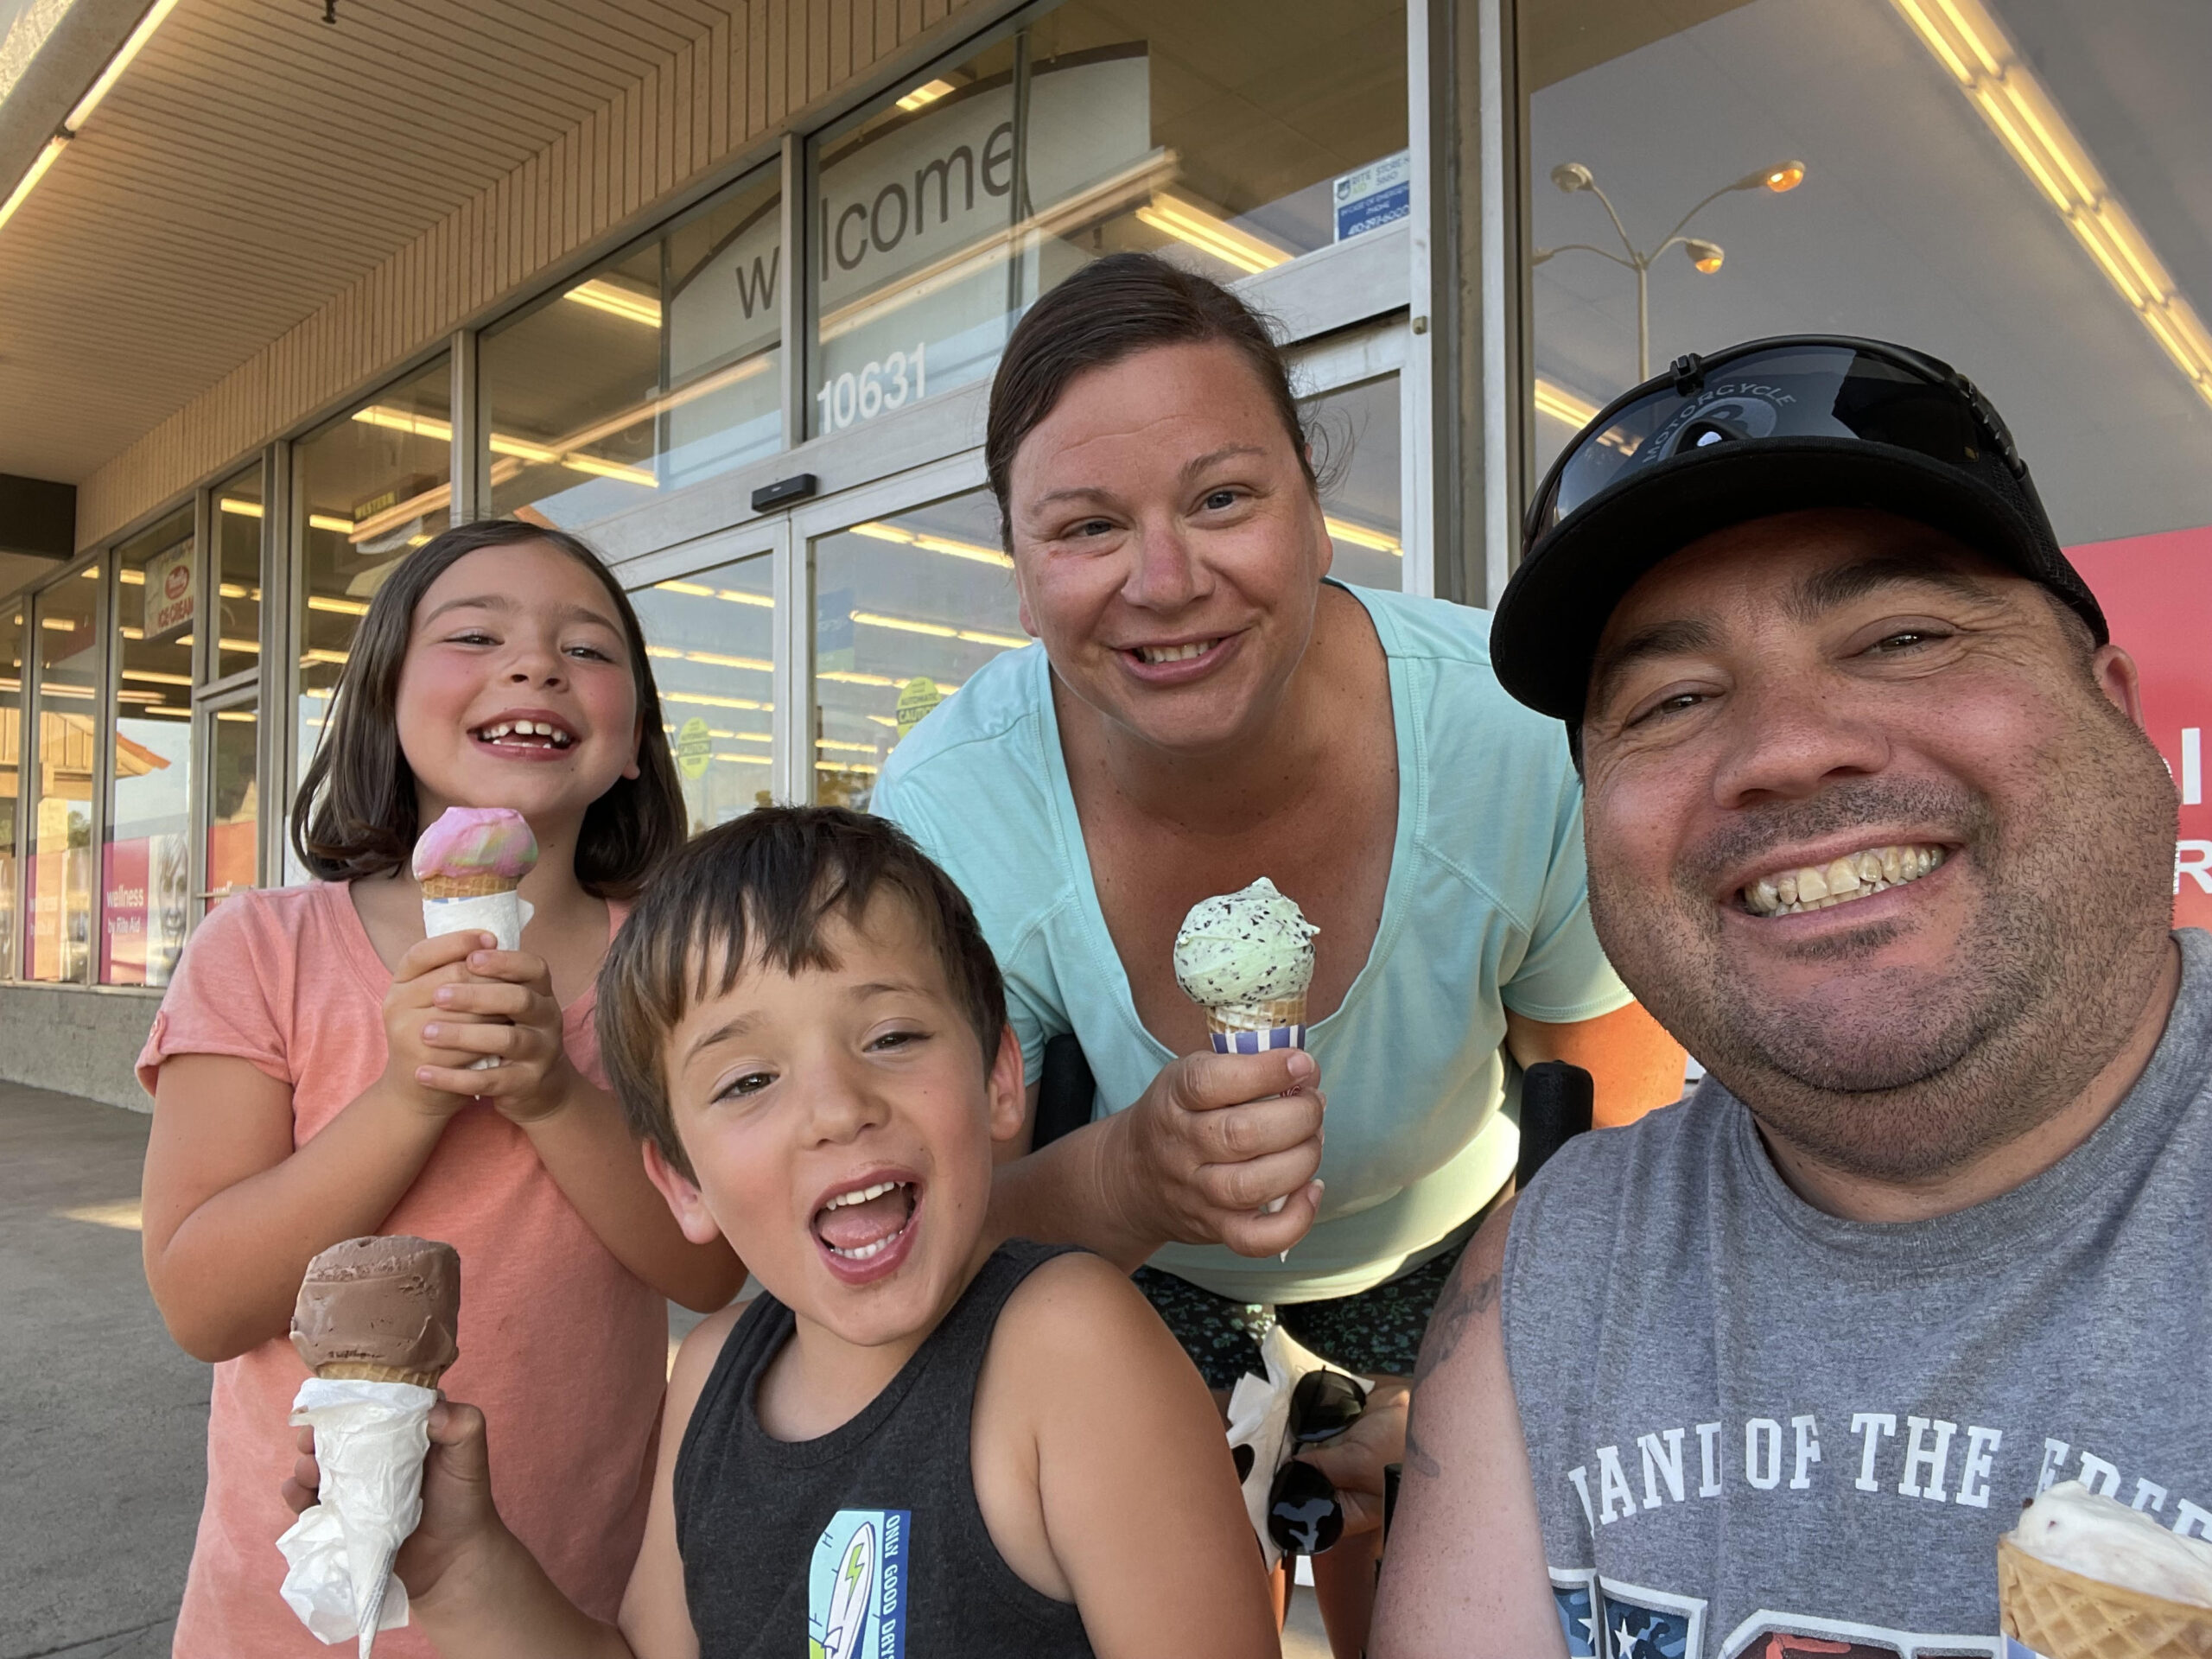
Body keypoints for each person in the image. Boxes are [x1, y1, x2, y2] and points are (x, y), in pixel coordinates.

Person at [870, 252, 1685, 1650]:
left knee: (1438, 1587)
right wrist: (1127, 1177)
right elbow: (905, 1241)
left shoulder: (1505, 734)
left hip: (1466, 1240)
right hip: (1136, 1268)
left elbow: (1607, 1110)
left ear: (1314, 506)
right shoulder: (952, 814)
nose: (1166, 580)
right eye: (1084, 528)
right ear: (1016, 572)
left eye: (1223, 498)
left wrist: (1460, 1389)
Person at [1373, 336, 2212, 1656]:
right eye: (1674, 700)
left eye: (1903, 637)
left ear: (2115, 707)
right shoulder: (1560, 1264)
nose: (1785, 748)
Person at [281, 805, 1281, 1658]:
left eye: (890, 1038)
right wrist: (460, 1563)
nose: (836, 1108)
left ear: (997, 1081)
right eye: (748, 1080)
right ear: (683, 1184)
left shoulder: (1066, 1348)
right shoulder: (712, 1376)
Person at [138, 520, 746, 1656]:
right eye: (475, 634)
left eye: (590, 649)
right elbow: (200, 1301)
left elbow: (708, 1267)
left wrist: (556, 1097)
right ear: (384, 705)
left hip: (568, 1604)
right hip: (289, 1616)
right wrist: (408, 1096)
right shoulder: (261, 949)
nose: (535, 665)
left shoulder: (677, 969)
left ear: (632, 747)